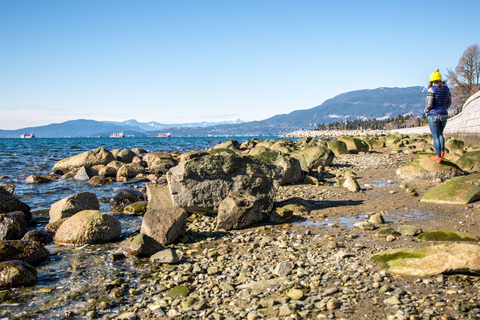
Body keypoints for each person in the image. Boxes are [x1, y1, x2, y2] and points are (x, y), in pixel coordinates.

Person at [425, 68, 451, 163]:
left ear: (431, 81)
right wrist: (444, 108)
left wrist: (427, 110)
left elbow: (429, 104)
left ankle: (438, 156)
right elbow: (449, 102)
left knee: (435, 136)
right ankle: (442, 152)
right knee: (441, 134)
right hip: (444, 114)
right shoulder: (447, 89)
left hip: (434, 115)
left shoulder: (432, 89)